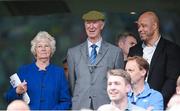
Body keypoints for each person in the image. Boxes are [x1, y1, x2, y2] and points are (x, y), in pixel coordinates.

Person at [67, 10, 124, 110]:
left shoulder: (115, 52)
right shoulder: (73, 53)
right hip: (80, 104)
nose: (91, 26)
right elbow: (72, 83)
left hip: (107, 105)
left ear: (102, 26)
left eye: (94, 22)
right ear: (84, 25)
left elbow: (119, 83)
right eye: (88, 23)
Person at [5, 31, 71, 110]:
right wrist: (17, 91)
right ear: (35, 50)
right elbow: (8, 97)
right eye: (39, 46)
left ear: (51, 50)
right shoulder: (23, 71)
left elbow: (66, 101)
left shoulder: (59, 73)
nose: (43, 49)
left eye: (46, 46)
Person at [128, 11, 180, 106]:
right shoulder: (133, 50)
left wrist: (156, 101)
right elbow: (127, 76)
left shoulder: (172, 49)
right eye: (138, 26)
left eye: (143, 26)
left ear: (155, 26)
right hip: (133, 103)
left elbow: (171, 80)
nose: (139, 29)